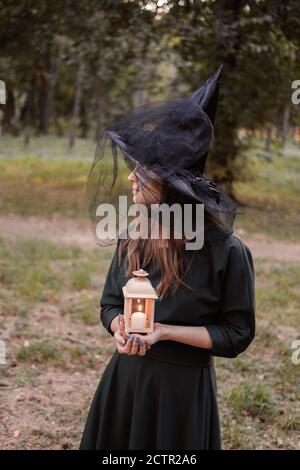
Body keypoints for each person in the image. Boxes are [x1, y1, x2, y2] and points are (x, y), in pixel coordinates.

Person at [79, 65, 256, 450]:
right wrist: (119, 328)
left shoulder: (227, 252)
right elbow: (109, 303)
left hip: (181, 394)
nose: (130, 179)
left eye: (141, 172)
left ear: (172, 185)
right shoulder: (133, 235)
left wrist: (164, 332)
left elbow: (236, 334)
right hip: (125, 382)